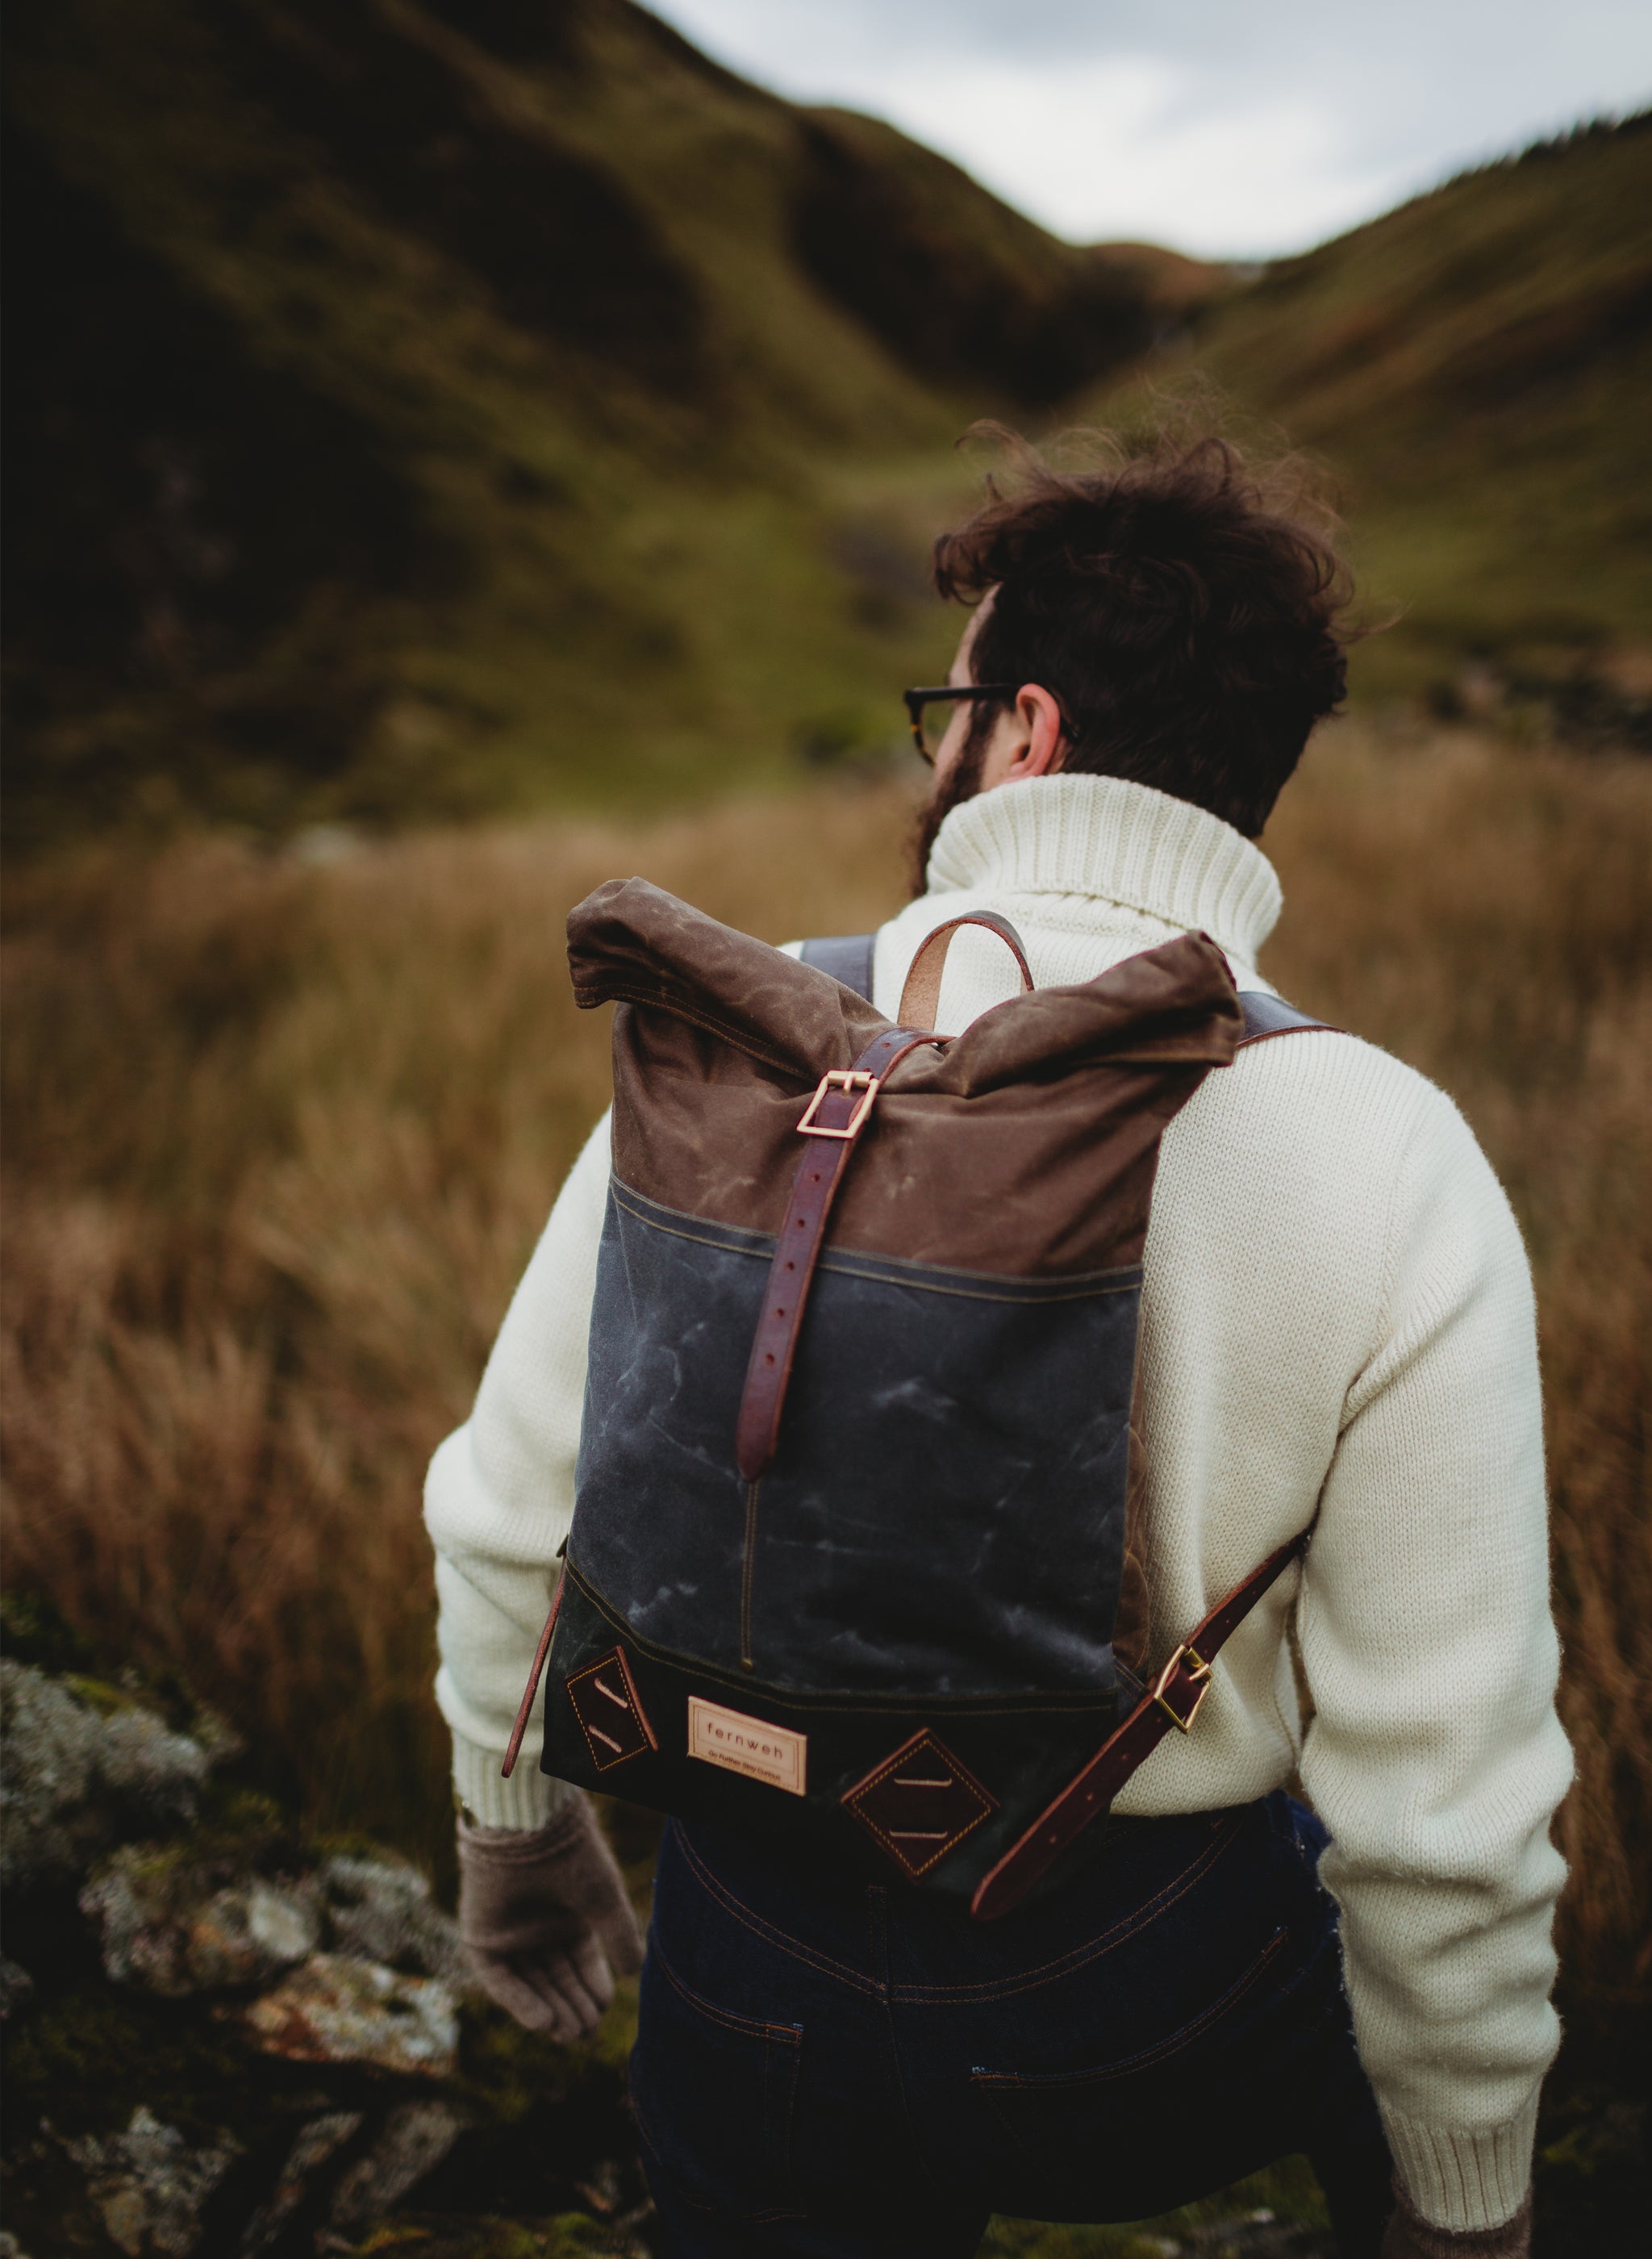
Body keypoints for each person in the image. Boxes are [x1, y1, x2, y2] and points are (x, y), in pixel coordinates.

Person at [424, 429, 1571, 2257]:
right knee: (1361, 1939)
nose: (931, 749)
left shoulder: (746, 1048)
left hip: (750, 1948)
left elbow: (505, 1512)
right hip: (1132, 1996)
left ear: (1021, 730)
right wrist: (1466, 2201)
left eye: (936, 710)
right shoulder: (1381, 1138)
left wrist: (518, 1841)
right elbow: (1445, 1803)